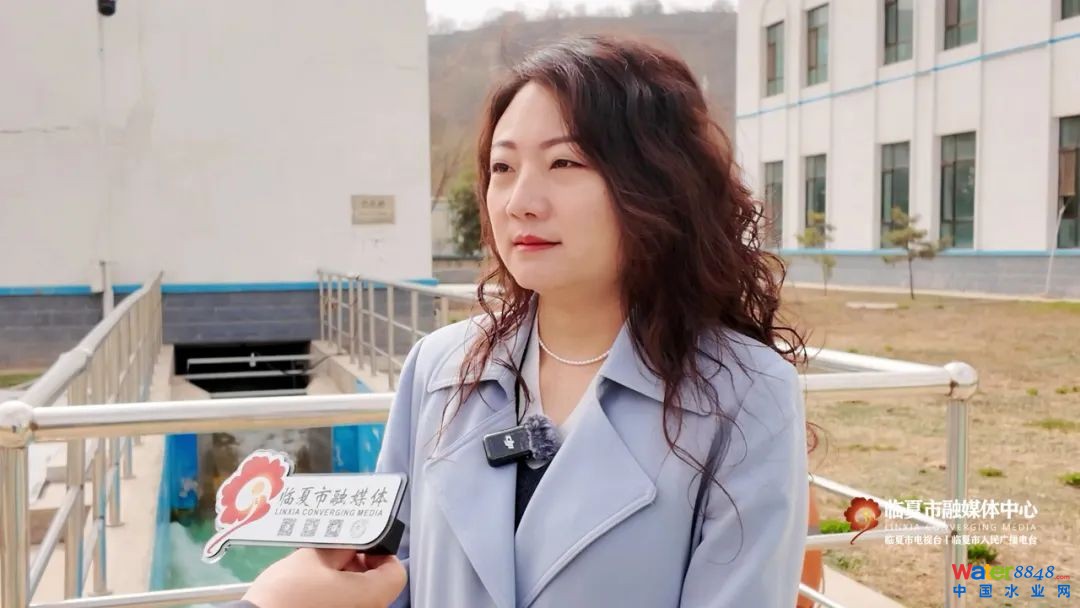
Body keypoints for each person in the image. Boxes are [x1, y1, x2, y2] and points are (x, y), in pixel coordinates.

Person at [238, 33, 813, 607]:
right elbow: (391, 579)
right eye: (503, 167)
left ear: (658, 183)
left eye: (564, 162)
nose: (520, 201)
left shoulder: (744, 394)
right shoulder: (439, 367)